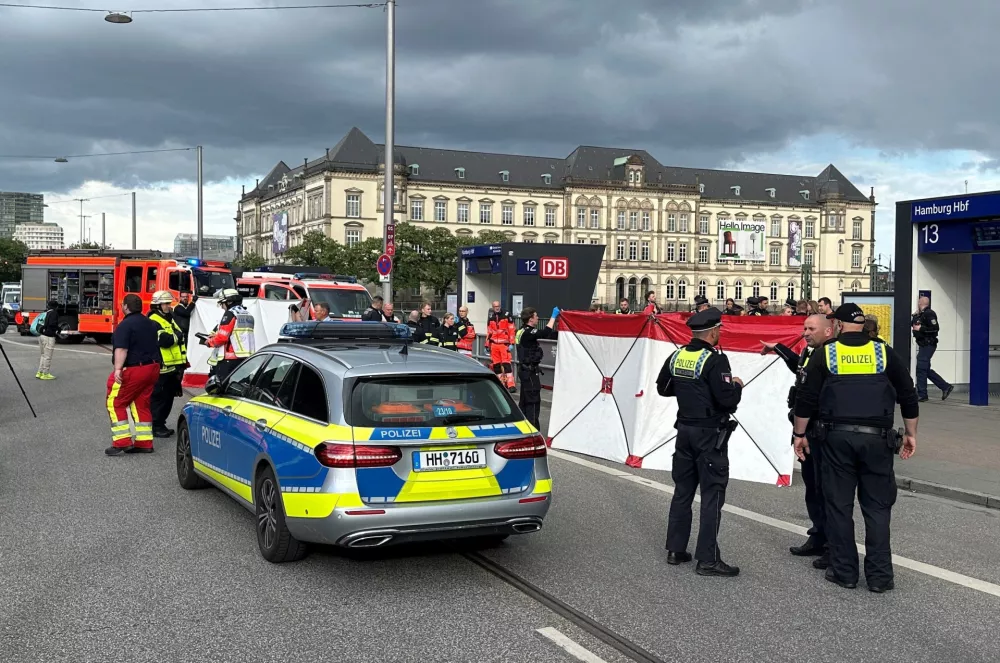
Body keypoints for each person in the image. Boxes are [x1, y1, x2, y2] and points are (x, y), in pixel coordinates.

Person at [792, 303, 919, 593]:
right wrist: (910, 433)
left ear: (837, 325)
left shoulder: (828, 353)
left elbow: (807, 397)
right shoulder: (882, 352)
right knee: (877, 508)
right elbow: (908, 393)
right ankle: (880, 577)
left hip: (837, 440)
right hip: (879, 439)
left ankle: (845, 571)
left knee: (839, 506)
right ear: (862, 325)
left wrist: (800, 433)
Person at [656, 307, 744, 577]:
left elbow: (663, 387)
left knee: (683, 491)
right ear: (714, 331)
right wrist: (737, 385)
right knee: (712, 494)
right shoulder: (715, 360)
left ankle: (676, 549)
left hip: (684, 430)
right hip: (709, 435)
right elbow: (727, 400)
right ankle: (708, 559)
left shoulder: (677, 355)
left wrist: (689, 392)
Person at [761, 313, 835, 568]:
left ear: (828, 331)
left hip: (823, 430)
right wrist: (779, 348)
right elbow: (800, 370)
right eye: (804, 328)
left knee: (827, 490)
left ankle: (833, 546)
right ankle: (818, 536)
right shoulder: (809, 352)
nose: (805, 332)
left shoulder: (830, 355)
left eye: (811, 328)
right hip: (806, 429)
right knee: (812, 487)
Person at [106, 293, 162, 456]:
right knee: (141, 403)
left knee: (115, 402)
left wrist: (118, 369)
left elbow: (122, 348)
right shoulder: (151, 323)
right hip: (153, 368)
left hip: (135, 369)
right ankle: (144, 443)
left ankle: (121, 442)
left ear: (125, 307)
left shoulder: (125, 325)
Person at [148, 291, 187, 438]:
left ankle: (160, 423)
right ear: (157, 304)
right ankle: (155, 425)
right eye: (165, 304)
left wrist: (176, 336)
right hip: (162, 367)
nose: (168, 306)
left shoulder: (168, 318)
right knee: (159, 397)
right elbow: (164, 340)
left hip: (173, 366)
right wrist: (177, 336)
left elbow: (178, 333)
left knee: (169, 396)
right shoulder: (153, 319)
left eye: (168, 303)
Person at [515, 306, 559, 429]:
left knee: (524, 401)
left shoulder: (521, 331)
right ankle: (533, 430)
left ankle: (522, 429)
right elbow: (545, 333)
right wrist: (553, 316)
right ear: (530, 319)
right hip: (529, 372)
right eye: (536, 316)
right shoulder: (529, 332)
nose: (538, 318)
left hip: (524, 370)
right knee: (533, 401)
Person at [204, 288, 255, 383]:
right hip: (245, 359)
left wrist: (209, 342)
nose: (222, 307)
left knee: (223, 389)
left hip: (229, 360)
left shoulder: (230, 314)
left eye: (222, 304)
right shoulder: (247, 314)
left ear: (229, 302)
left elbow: (222, 338)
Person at [911, 295, 953, 402]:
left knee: (920, 369)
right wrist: (915, 317)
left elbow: (935, 328)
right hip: (923, 345)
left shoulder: (929, 313)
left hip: (928, 344)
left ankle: (922, 394)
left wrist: (921, 328)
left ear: (921, 303)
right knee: (925, 369)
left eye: (919, 302)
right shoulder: (921, 314)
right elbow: (915, 325)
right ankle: (945, 387)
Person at [487, 302, 516, 391]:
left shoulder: (506, 315)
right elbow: (489, 332)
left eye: (498, 306)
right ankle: (501, 383)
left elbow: (511, 329)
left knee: (506, 364)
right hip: (494, 344)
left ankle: (511, 385)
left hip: (504, 344)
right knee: (496, 365)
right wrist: (487, 344)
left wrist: (512, 343)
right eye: (495, 306)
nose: (497, 308)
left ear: (500, 306)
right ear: (493, 307)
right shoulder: (491, 317)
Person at [35, 299, 60, 380]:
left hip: (42, 336)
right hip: (49, 337)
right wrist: (58, 329)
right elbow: (52, 324)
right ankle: (45, 373)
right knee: (48, 356)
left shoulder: (46, 313)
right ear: (56, 307)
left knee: (43, 355)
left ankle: (40, 372)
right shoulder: (54, 313)